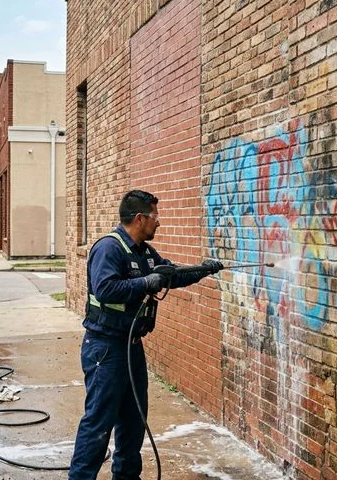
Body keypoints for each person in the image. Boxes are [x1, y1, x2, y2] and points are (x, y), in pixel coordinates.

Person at [68, 189, 222, 480]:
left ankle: (127, 476)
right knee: (99, 422)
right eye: (155, 217)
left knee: (133, 420)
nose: (159, 223)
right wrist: (144, 283)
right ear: (139, 218)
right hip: (105, 349)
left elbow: (170, 275)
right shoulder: (109, 248)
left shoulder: (145, 252)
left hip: (131, 347)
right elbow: (105, 288)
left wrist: (203, 270)